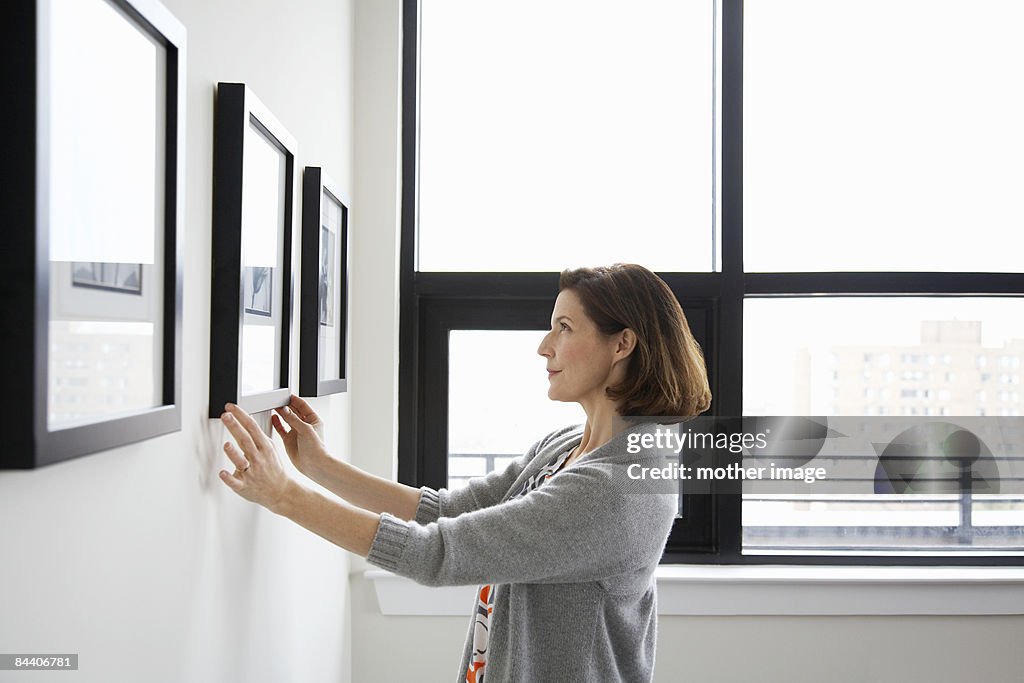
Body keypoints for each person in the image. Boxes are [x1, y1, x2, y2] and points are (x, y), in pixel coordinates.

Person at [217, 263, 712, 682]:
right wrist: (321, 468)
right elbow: (449, 511)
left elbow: (435, 554)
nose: (545, 346)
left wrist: (284, 495)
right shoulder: (568, 445)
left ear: (622, 344)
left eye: (564, 327)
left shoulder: (616, 489)